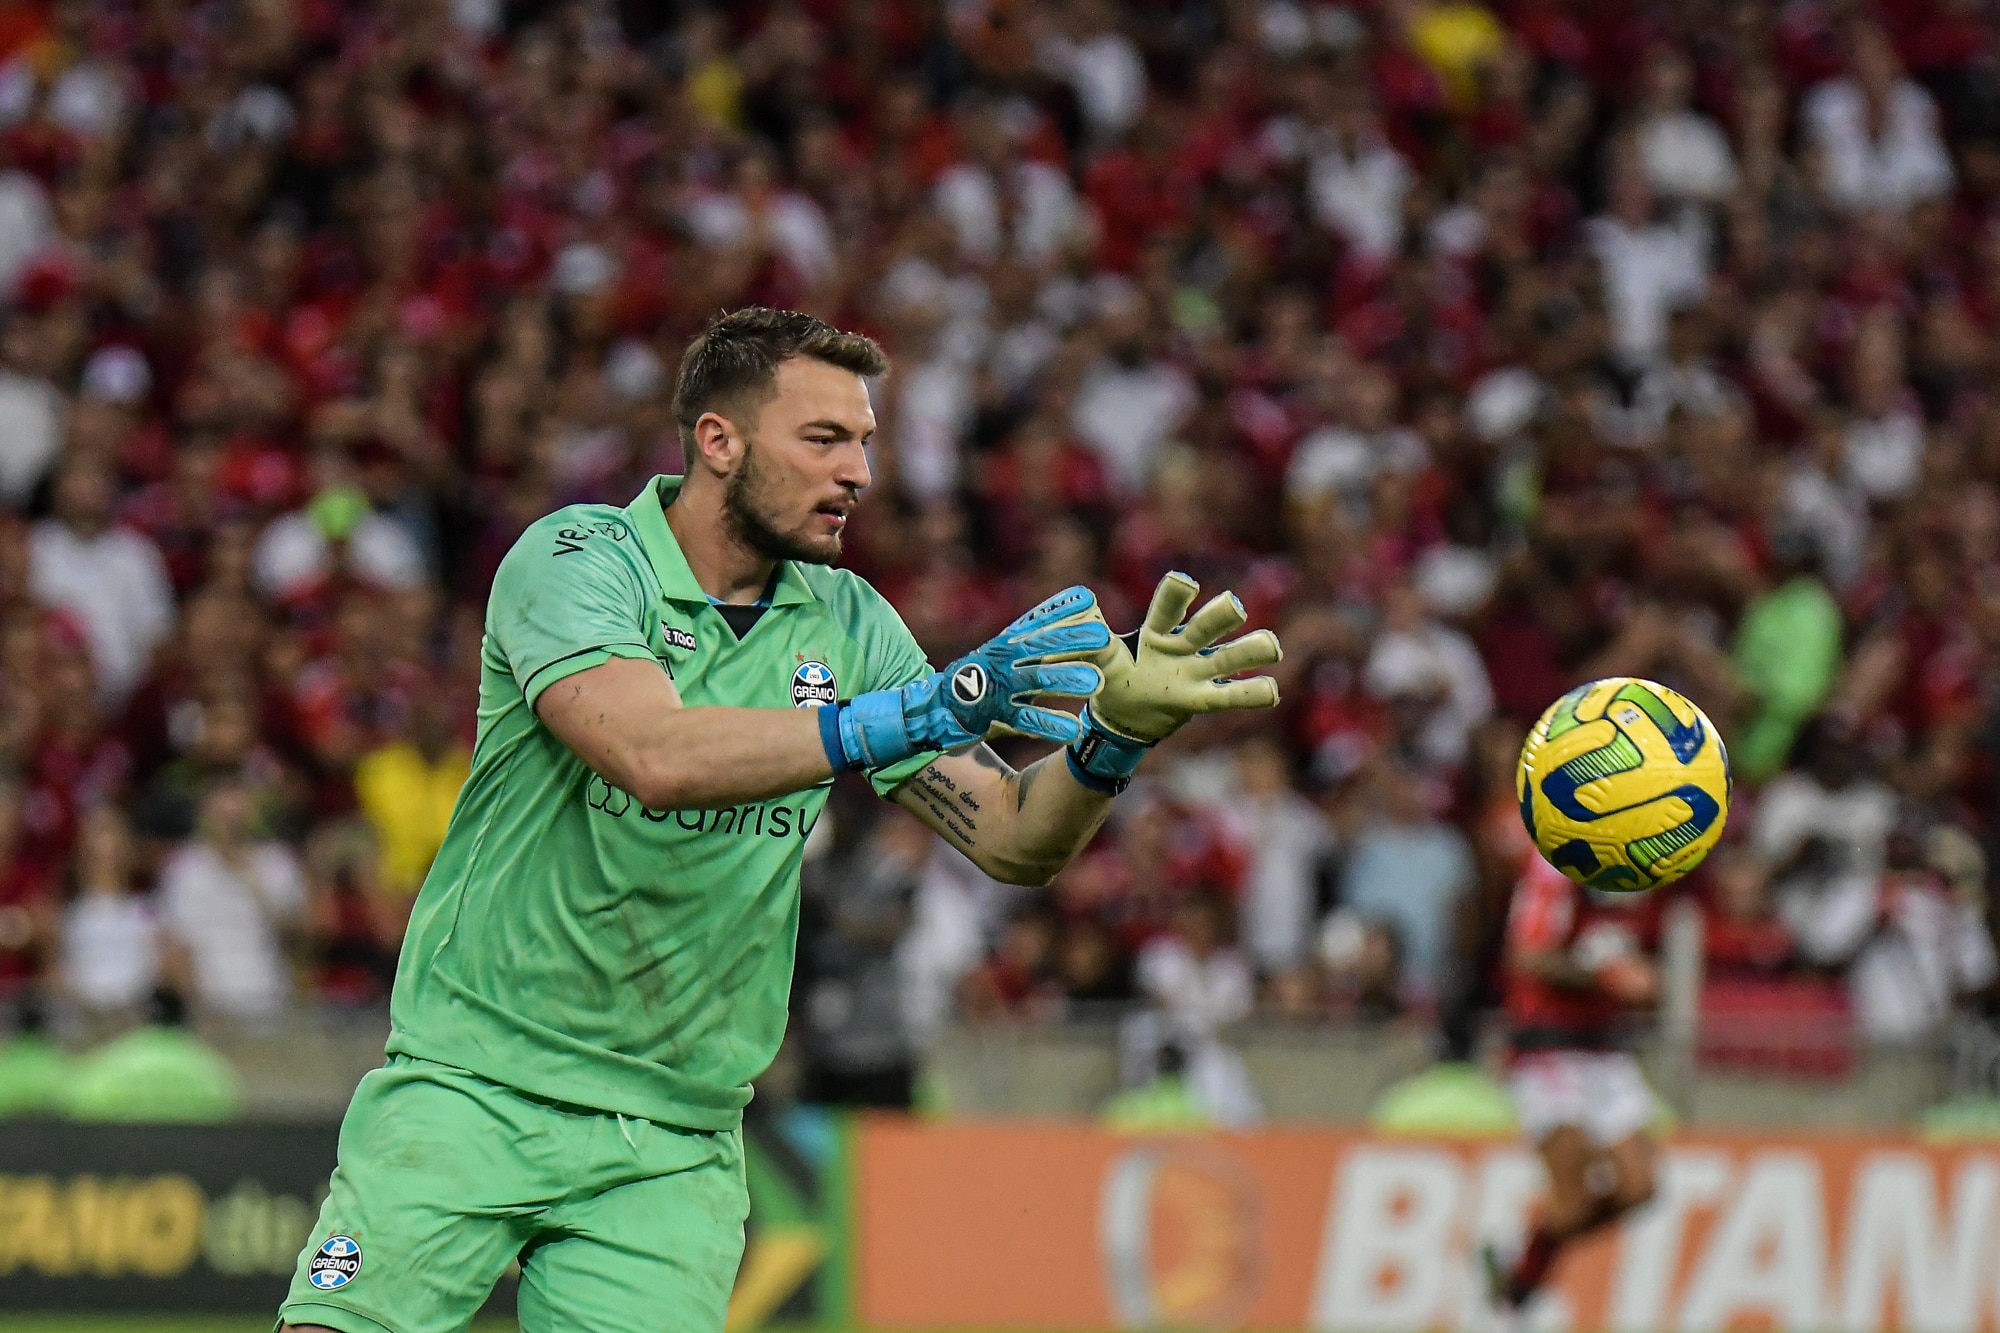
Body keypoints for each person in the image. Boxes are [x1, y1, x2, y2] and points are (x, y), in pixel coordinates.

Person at [279, 308, 1282, 1333]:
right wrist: (921, 711)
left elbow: (1014, 837)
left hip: (669, 1142)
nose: (856, 472)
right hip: (476, 1082)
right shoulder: (578, 561)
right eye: (822, 440)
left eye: (864, 444)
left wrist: (1111, 736)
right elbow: (654, 756)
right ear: (719, 440)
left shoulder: (850, 623)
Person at [1484, 854, 1660, 1314]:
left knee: (1641, 1187)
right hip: (1548, 1049)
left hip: (1603, 1047)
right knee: (1572, 1201)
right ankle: (1517, 1289)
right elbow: (1528, 955)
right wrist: (1610, 980)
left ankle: (1517, 1258)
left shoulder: (1639, 857)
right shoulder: (1555, 872)